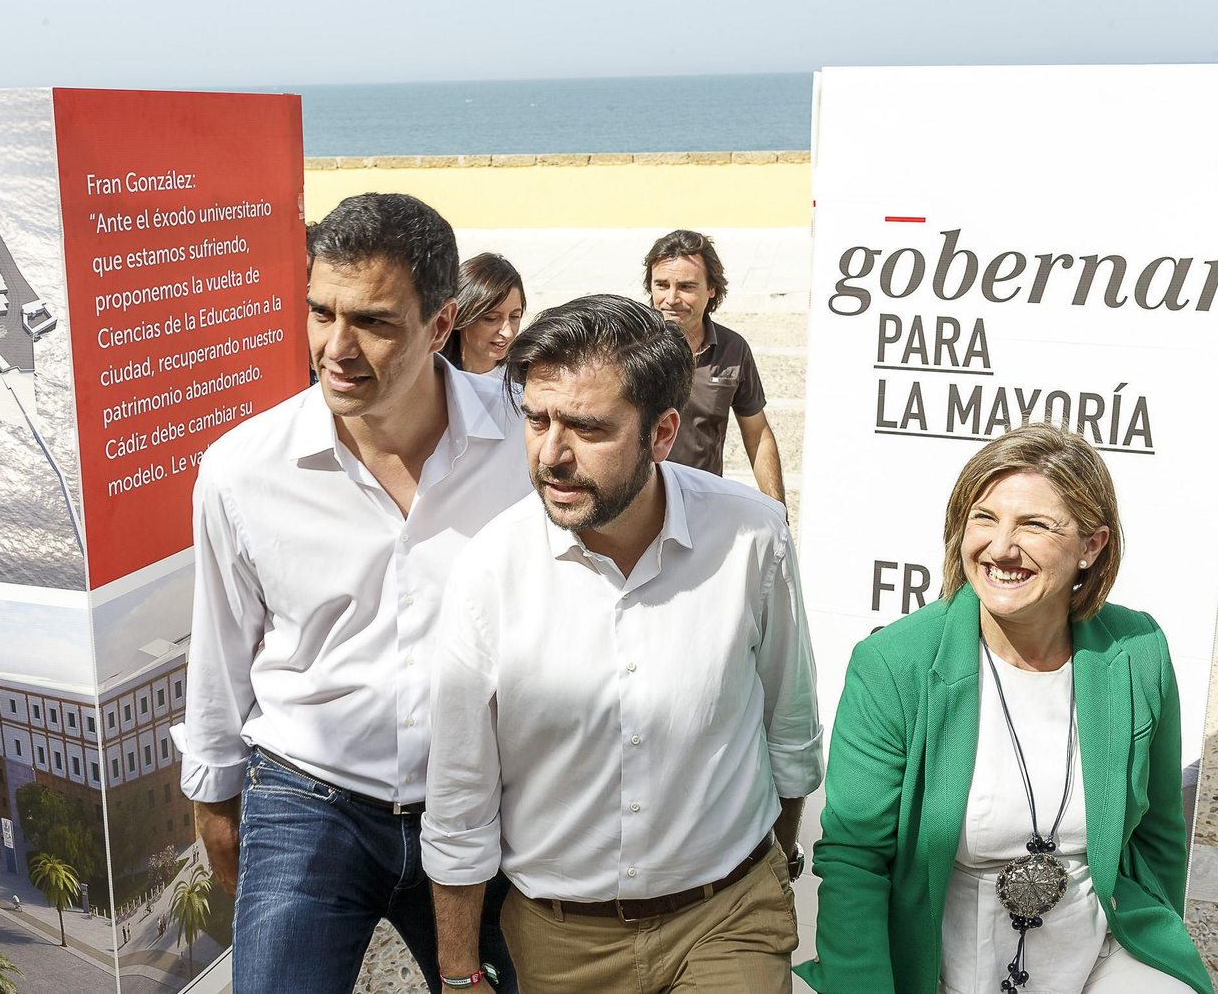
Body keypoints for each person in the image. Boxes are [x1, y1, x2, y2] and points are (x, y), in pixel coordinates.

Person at [179, 192, 529, 992]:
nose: (336, 347)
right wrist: (214, 799)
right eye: (320, 312)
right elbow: (221, 644)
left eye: (372, 321)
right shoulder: (241, 468)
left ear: (441, 325)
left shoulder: (524, 443)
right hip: (307, 798)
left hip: (485, 801)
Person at [424, 294, 822, 993]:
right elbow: (460, 795)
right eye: (537, 419)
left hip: (729, 916)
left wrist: (776, 864)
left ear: (662, 433)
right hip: (559, 942)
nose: (552, 455)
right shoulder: (488, 570)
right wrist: (460, 973)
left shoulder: (753, 537)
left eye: (587, 427)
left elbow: (788, 725)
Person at [797, 424, 1212, 994]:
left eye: (1034, 525)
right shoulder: (894, 664)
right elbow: (855, 858)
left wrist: (1161, 949)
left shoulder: (1138, 651)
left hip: (1099, 952)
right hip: (942, 965)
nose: (1000, 548)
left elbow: (1160, 833)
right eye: (984, 518)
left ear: (1091, 546)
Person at [642, 229, 785, 501]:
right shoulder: (628, 345)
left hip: (702, 506)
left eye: (686, 287)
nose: (671, 299)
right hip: (636, 507)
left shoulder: (733, 350)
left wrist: (777, 510)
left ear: (712, 289)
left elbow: (757, 435)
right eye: (661, 285)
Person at [442, 252, 525, 375]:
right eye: (491, 318)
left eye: (515, 317)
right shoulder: (434, 377)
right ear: (457, 315)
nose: (507, 333)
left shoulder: (526, 376)